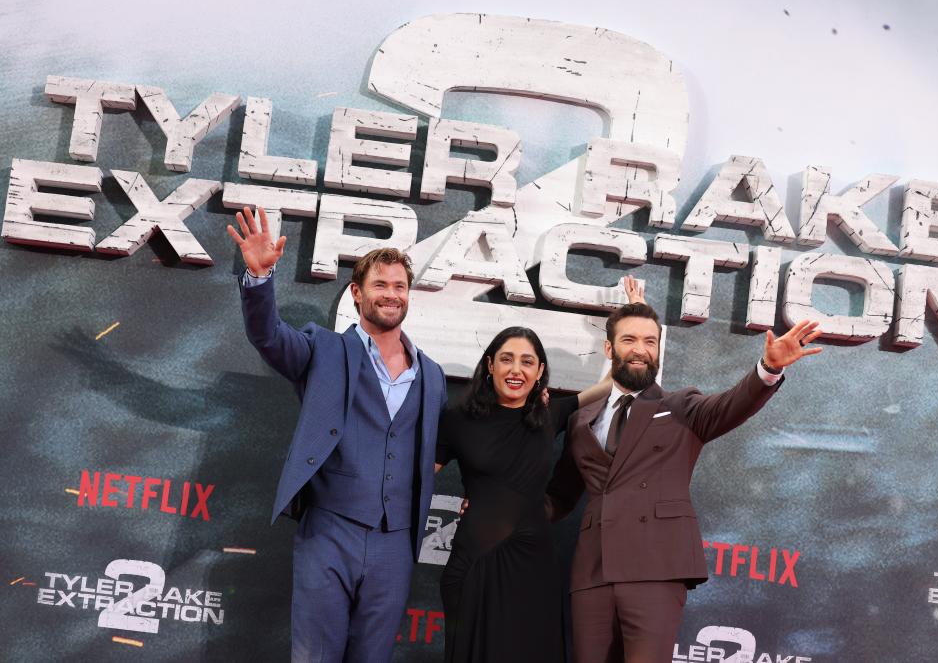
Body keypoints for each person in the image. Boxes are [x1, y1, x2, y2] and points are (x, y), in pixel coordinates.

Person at [545, 302, 823, 663]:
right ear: (609, 349)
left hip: (655, 570)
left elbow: (730, 405)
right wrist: (502, 512)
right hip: (592, 573)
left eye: (650, 341)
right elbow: (559, 496)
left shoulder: (680, 407)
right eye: (629, 339)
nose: (640, 349)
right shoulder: (581, 421)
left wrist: (767, 370)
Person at [228, 207, 447, 662]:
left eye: (399, 286)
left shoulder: (433, 375)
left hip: (396, 541)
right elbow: (269, 337)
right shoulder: (324, 348)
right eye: (380, 285)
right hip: (329, 529)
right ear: (356, 293)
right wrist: (259, 278)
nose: (391, 295)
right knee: (316, 656)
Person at [433, 278, 646, 663]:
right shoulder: (456, 421)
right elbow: (414, 477)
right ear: (490, 365)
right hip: (472, 562)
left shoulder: (551, 416)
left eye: (527, 361)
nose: (516, 370)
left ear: (540, 371)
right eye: (507, 359)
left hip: (532, 565)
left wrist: (634, 316)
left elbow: (614, 380)